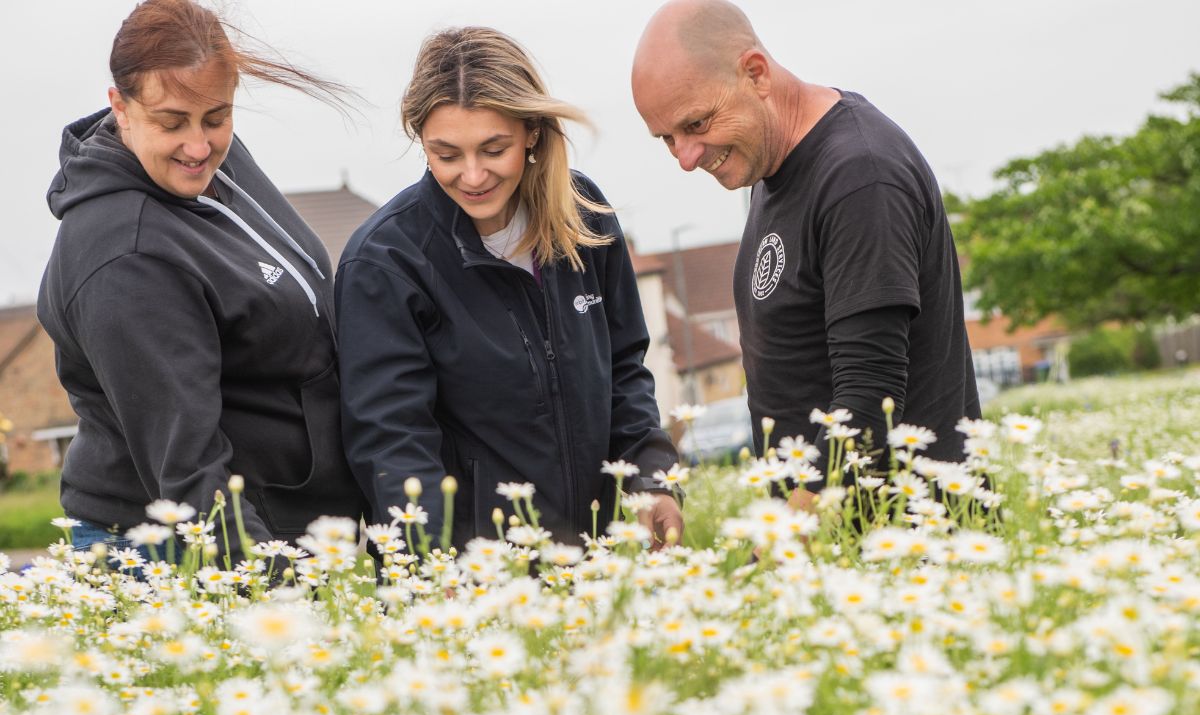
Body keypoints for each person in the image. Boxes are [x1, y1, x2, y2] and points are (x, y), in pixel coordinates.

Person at [38, 0, 364, 556]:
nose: (198, 146)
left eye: (217, 117)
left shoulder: (214, 164)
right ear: (119, 106)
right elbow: (189, 471)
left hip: (283, 524)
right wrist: (271, 588)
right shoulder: (128, 255)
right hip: (176, 548)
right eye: (171, 123)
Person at [337, 27, 681, 548]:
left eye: (493, 149)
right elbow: (392, 441)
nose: (472, 176)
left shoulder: (584, 215)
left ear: (532, 133)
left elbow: (624, 369)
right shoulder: (385, 262)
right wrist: (431, 566)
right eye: (446, 154)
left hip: (600, 558)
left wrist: (651, 478)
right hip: (476, 578)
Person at [631, 0, 981, 490]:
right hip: (827, 542)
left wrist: (781, 542)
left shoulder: (859, 174)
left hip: (905, 540)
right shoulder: (769, 168)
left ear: (755, 74)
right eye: (666, 138)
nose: (685, 158)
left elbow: (867, 402)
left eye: (697, 124)